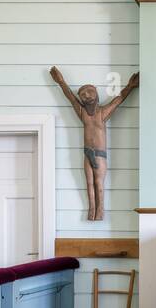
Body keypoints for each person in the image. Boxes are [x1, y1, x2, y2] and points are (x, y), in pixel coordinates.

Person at [49, 66, 138, 221]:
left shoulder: (103, 113)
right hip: (87, 154)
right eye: (83, 94)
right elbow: (70, 97)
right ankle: (92, 210)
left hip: (100, 156)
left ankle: (100, 210)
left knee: (99, 184)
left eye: (89, 91)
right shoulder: (83, 113)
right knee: (89, 184)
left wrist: (130, 86)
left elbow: (119, 99)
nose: (86, 95)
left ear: (96, 93)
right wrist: (61, 81)